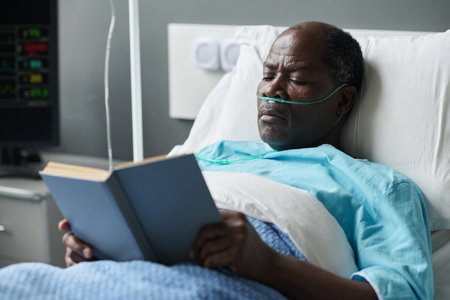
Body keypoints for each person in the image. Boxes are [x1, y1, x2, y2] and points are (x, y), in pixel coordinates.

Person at [59, 21, 433, 299]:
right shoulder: (215, 154)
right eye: (268, 74)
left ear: (343, 101)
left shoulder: (378, 185)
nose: (272, 88)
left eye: (297, 78)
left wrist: (267, 263)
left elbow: (398, 295)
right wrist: (96, 249)